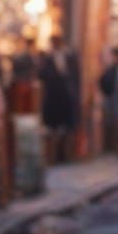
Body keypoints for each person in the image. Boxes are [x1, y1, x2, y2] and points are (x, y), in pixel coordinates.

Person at [38, 32, 80, 164]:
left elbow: (75, 76)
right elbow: (42, 74)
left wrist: (75, 93)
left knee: (66, 127)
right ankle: (55, 156)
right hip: (53, 97)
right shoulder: (48, 58)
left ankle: (66, 155)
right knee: (53, 128)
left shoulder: (70, 56)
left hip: (66, 97)